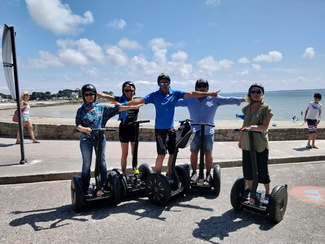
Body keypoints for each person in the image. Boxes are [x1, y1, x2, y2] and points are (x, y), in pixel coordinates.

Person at [126, 73, 220, 176]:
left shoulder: (175, 94)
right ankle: (157, 177)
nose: (164, 85)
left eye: (166, 82)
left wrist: (209, 94)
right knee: (161, 155)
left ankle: (170, 175)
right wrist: (124, 104)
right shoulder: (154, 95)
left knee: (172, 153)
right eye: (162, 83)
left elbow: (191, 94)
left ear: (169, 83)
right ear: (158, 84)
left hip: (171, 129)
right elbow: (141, 100)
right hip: (160, 130)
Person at [75, 84, 143, 195]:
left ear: (95, 95)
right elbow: (77, 125)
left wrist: (132, 107)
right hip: (86, 140)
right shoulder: (81, 110)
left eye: (91, 94)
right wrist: (84, 129)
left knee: (101, 161)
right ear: (83, 96)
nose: (89, 96)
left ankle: (102, 186)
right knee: (87, 164)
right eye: (86, 95)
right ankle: (85, 188)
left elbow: (118, 109)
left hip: (100, 138)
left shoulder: (101, 108)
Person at [176, 79, 245, 182]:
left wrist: (244, 99)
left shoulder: (214, 99)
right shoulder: (189, 99)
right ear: (196, 88)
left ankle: (208, 174)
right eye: (199, 86)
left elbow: (229, 99)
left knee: (208, 153)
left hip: (208, 131)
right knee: (194, 152)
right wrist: (159, 102)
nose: (202, 88)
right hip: (194, 130)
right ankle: (194, 173)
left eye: (204, 86)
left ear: (207, 88)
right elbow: (174, 103)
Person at [238, 83, 273, 205]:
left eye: (258, 92)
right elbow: (244, 126)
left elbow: (265, 127)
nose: (255, 94)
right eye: (253, 92)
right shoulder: (246, 108)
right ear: (249, 94)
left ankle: (268, 193)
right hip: (247, 143)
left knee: (262, 170)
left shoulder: (266, 109)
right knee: (248, 169)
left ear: (262, 94)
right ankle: (251, 191)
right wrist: (240, 139)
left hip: (260, 143)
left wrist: (252, 127)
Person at [97, 81, 139, 173]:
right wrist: (90, 91)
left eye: (131, 90)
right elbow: (105, 96)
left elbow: (146, 101)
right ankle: (123, 173)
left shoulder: (137, 100)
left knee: (134, 153)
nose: (129, 92)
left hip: (134, 129)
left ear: (134, 91)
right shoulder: (119, 99)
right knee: (125, 153)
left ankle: (135, 172)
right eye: (126, 90)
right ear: (123, 91)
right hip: (124, 128)